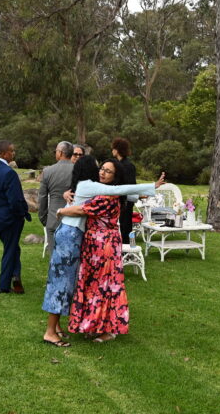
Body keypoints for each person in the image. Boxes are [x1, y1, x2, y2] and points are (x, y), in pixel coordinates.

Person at [42, 156, 163, 346]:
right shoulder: (90, 186)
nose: (101, 172)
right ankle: (55, 329)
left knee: (91, 284)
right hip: (80, 238)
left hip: (96, 243)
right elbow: (110, 193)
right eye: (100, 168)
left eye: (107, 170)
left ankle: (64, 327)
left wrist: (147, 190)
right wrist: (64, 206)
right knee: (69, 282)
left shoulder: (95, 189)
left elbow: (121, 192)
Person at [0, 140, 32, 294]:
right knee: (10, 250)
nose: (13, 154)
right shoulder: (9, 173)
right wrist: (22, 213)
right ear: (3, 153)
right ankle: (4, 285)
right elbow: (15, 200)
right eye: (11, 151)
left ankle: (16, 275)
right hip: (10, 219)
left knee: (13, 248)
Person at [38, 141, 75, 256]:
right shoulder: (78, 170)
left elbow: (42, 198)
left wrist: (44, 219)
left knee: (54, 259)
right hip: (74, 219)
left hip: (53, 219)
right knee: (72, 257)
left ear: (60, 153)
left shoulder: (48, 171)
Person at [111, 137, 137, 245]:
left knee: (125, 227)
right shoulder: (121, 164)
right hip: (122, 200)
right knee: (124, 226)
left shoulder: (126, 165)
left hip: (125, 201)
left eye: (113, 148)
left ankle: (127, 250)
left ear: (117, 150)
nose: (112, 151)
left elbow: (130, 185)